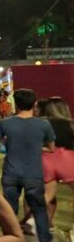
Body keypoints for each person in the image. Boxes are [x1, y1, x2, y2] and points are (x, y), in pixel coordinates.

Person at [0, 88, 63, 242]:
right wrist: (37, 147)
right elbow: (51, 148)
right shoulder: (44, 124)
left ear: (16, 103)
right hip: (33, 173)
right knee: (38, 208)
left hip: (11, 173)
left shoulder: (5, 123)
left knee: (10, 209)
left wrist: (7, 145)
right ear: (34, 104)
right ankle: (45, 241)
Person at [40, 96, 74, 227]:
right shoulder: (70, 124)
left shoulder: (41, 123)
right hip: (68, 160)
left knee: (47, 196)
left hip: (46, 161)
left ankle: (36, 222)